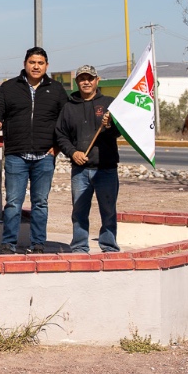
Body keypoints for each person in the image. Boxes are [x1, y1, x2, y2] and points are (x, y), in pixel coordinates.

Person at [0, 46, 68, 254]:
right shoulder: (9, 88)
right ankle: (9, 242)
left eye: (40, 63)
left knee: (40, 203)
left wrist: (57, 148)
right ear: (25, 64)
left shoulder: (56, 89)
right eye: (32, 62)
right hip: (16, 155)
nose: (36, 66)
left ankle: (38, 243)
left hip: (45, 156)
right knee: (13, 202)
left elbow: (66, 122)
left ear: (47, 66)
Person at [55, 63, 120, 254]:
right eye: (82, 79)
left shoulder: (109, 103)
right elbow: (61, 135)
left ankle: (109, 246)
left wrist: (110, 126)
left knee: (108, 211)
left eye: (90, 78)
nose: (86, 82)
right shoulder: (68, 107)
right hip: (80, 170)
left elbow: (119, 132)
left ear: (97, 80)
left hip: (106, 168)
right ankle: (80, 246)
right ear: (77, 82)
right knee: (79, 212)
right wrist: (72, 152)